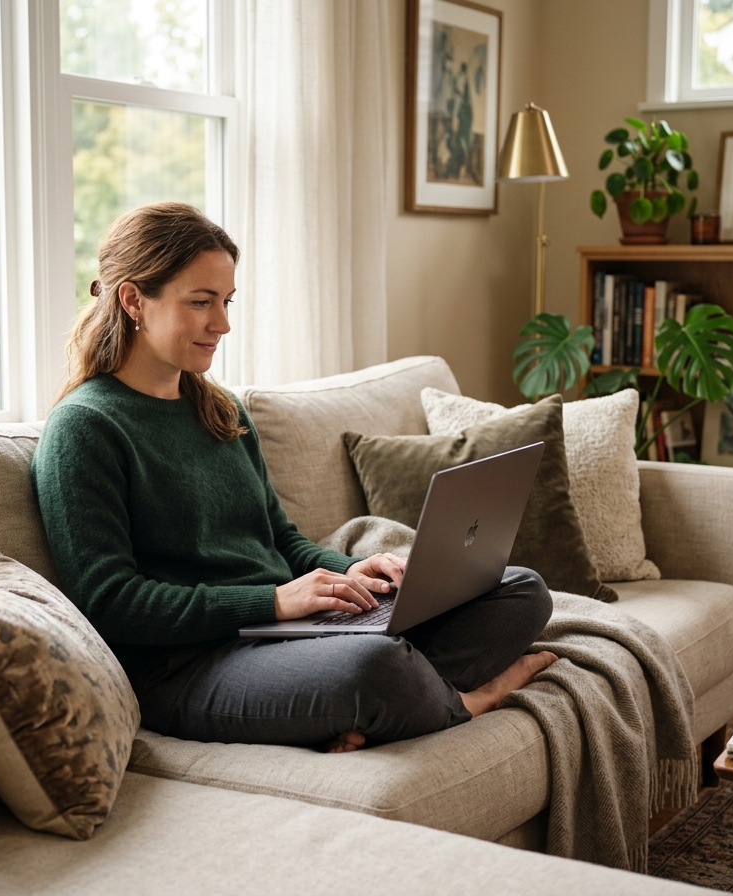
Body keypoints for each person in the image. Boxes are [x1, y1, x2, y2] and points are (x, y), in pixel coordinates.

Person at [31, 202, 556, 753]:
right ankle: (464, 699)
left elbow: (280, 540)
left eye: (227, 301)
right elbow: (110, 602)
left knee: (519, 589)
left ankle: (399, 699)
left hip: (291, 634)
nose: (223, 324)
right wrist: (274, 603)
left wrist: (353, 570)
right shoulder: (85, 429)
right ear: (134, 299)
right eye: (202, 302)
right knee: (375, 664)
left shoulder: (221, 411)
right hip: (189, 666)